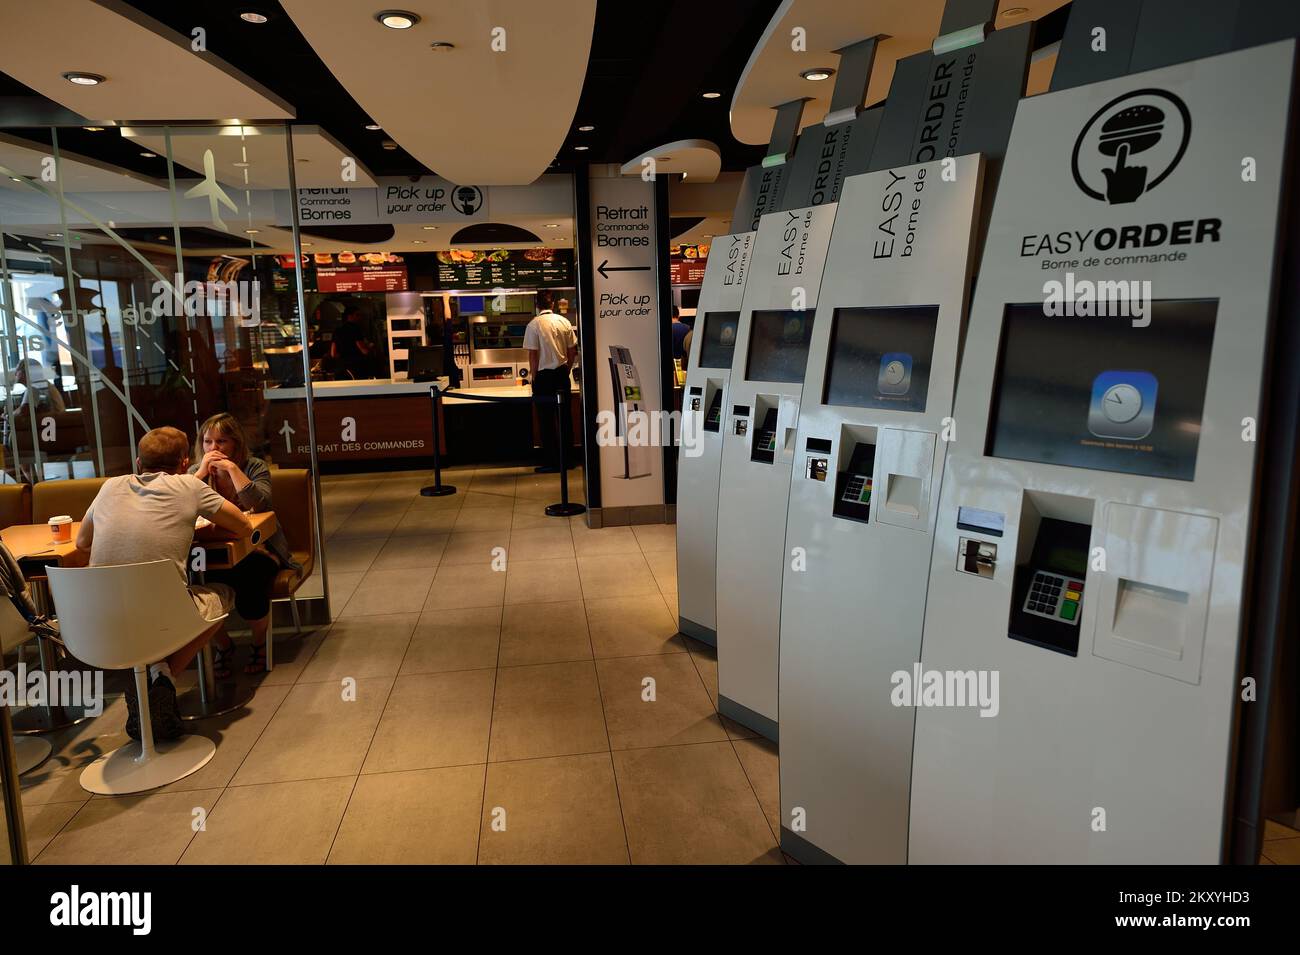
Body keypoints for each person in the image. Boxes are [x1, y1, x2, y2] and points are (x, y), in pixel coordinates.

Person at [75, 427, 251, 740]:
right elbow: (243, 525)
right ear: (185, 463)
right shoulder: (188, 486)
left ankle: (152, 676)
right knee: (222, 595)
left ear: (138, 461)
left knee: (144, 613)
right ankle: (163, 677)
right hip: (163, 616)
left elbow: (82, 541)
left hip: (99, 622)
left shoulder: (109, 487)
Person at [190, 413, 301, 676]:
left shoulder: (254, 467)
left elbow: (258, 504)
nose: (213, 449)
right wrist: (203, 472)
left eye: (221, 441)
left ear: (236, 443)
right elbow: (180, 502)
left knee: (249, 575)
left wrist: (231, 469)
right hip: (210, 552)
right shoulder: (195, 474)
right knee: (192, 581)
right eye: (207, 442)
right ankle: (224, 646)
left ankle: (260, 642)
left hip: (259, 548)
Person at [524, 289, 578, 473]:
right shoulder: (564, 322)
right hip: (562, 375)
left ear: (537, 305)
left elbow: (533, 355)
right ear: (553, 304)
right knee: (565, 419)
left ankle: (552, 462)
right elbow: (573, 352)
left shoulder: (533, 325)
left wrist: (534, 378)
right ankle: (568, 461)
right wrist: (567, 369)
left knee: (546, 421)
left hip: (544, 378)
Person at [330, 305, 373, 380]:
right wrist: (370, 348)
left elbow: (333, 354)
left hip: (340, 369)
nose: (360, 317)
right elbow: (363, 350)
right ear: (349, 316)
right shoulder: (356, 329)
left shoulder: (337, 330)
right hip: (355, 368)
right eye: (357, 315)